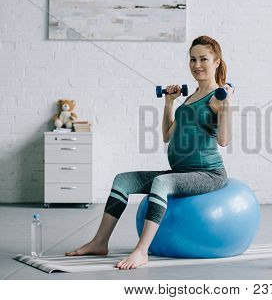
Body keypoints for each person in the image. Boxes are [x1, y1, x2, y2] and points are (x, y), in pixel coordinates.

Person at [65, 36, 233, 270]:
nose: (197, 65)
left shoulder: (218, 98)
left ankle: (141, 251)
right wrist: (169, 103)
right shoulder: (191, 97)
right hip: (181, 171)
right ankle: (99, 242)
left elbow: (224, 140)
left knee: (162, 183)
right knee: (123, 180)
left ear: (216, 62)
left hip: (208, 174)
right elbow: (167, 134)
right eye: (193, 59)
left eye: (203, 59)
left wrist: (226, 109)